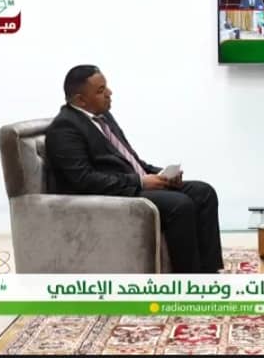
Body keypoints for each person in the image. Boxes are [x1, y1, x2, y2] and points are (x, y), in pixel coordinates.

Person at [45, 65, 224, 274]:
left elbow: (130, 159)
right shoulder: (65, 128)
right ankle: (187, 280)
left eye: (106, 87)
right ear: (80, 99)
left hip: (132, 184)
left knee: (203, 192)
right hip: (109, 195)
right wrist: (139, 181)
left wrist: (161, 174)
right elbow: (84, 179)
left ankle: (209, 274)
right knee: (179, 204)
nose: (109, 93)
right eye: (101, 90)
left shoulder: (103, 117)